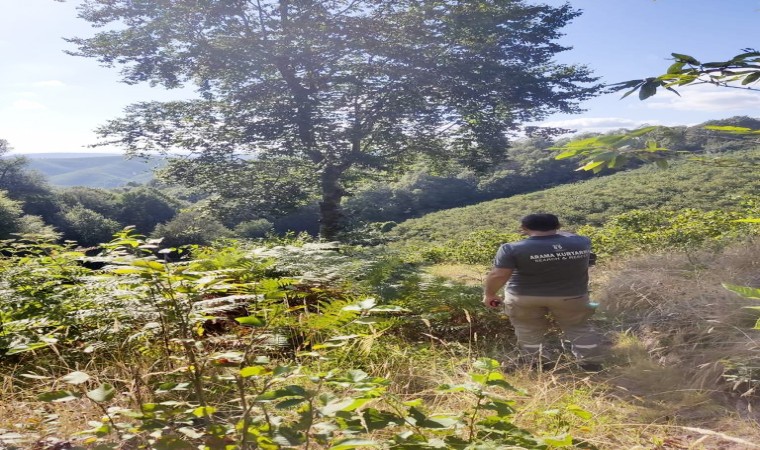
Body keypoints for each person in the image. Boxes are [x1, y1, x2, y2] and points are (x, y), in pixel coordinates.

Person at [483, 213, 604, 369]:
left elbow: (498, 275)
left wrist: (489, 294)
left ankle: (536, 362)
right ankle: (591, 363)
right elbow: (570, 235)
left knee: (528, 329)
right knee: (578, 327)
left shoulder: (511, 248)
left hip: (523, 297)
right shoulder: (582, 242)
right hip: (572, 296)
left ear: (523, 228)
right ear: (558, 226)